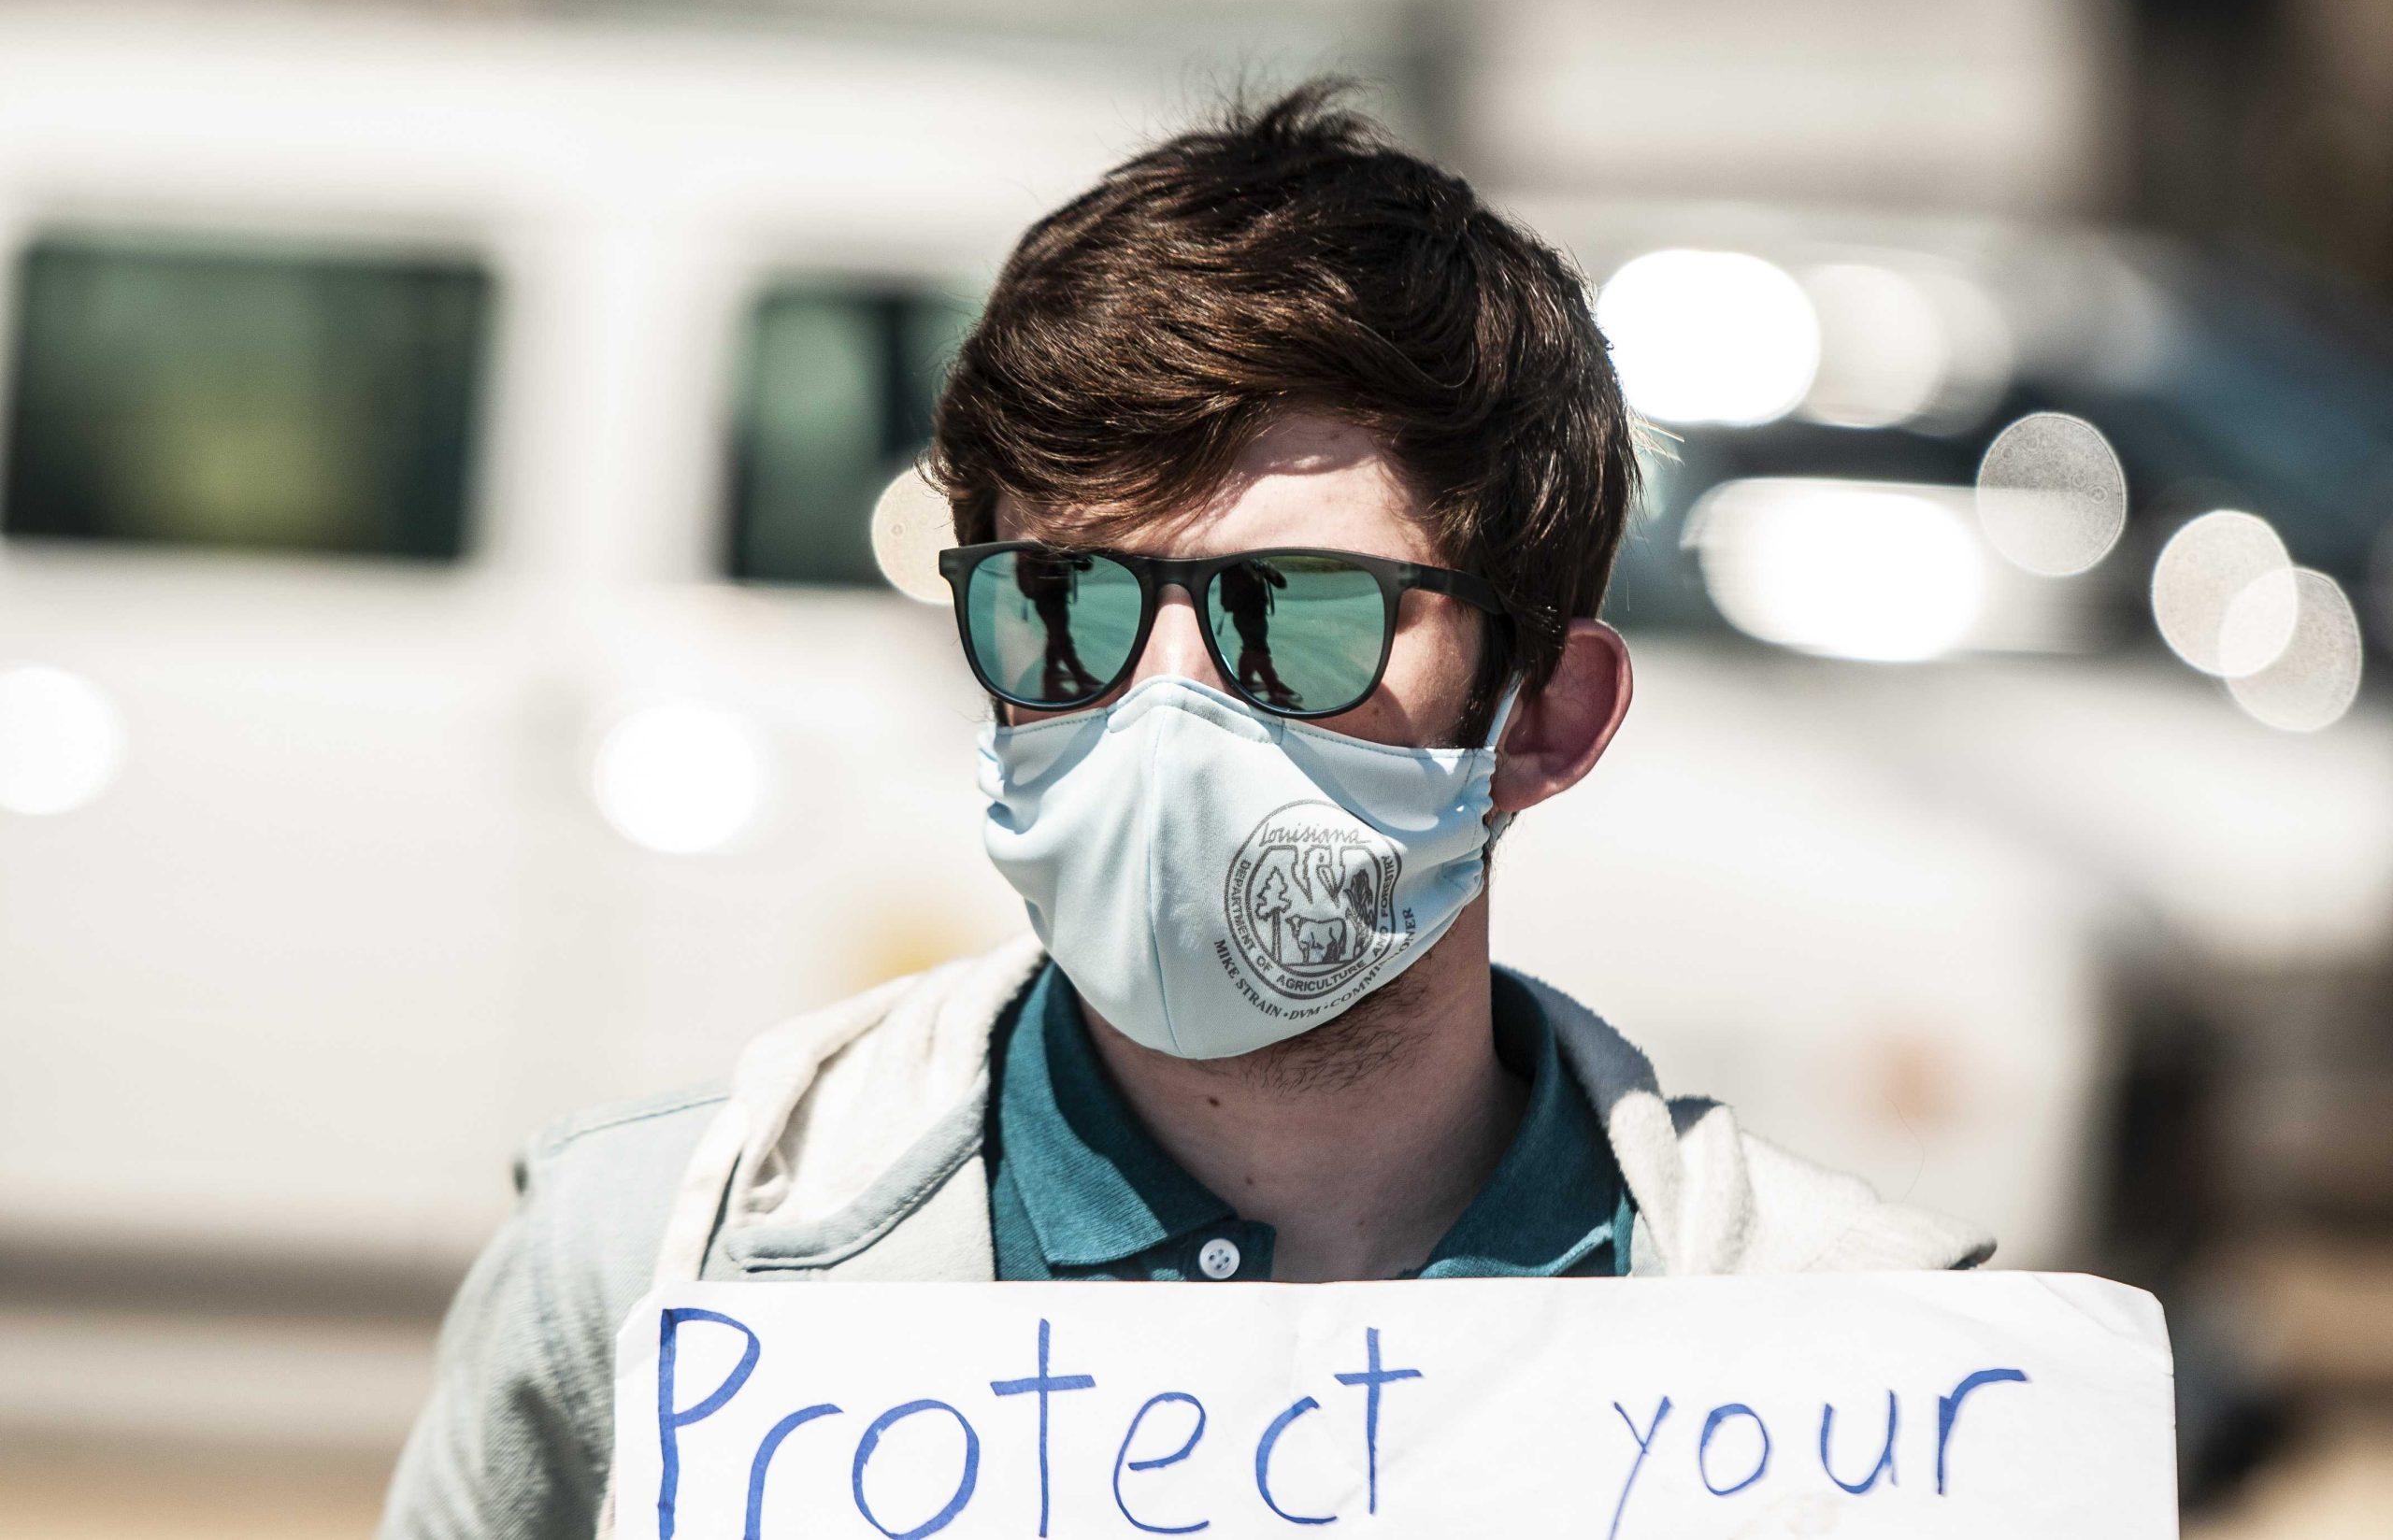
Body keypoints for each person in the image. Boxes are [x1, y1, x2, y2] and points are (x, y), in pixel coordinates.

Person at [380, 82, 1989, 1540]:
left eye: (1297, 615)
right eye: (1063, 603)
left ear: (1543, 716)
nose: (1159, 710)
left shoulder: (1855, 1372)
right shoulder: (648, 1276)